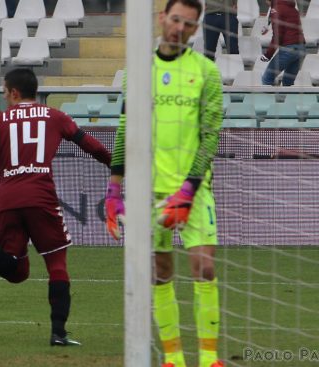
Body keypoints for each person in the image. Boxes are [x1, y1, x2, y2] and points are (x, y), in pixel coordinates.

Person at [0, 68, 111, 347]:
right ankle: (58, 333)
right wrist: (115, 164)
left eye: (4, 93)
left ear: (14, 92)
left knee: (18, 272)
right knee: (57, 265)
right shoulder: (55, 116)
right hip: (42, 199)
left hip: (8, 201)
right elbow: (89, 144)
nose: (5, 98)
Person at [104, 1, 223, 366]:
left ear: (196, 28)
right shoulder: (139, 72)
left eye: (189, 24)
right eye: (175, 20)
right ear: (161, 19)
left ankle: (209, 358)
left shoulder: (206, 72)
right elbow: (126, 129)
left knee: (204, 267)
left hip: (193, 189)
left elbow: (210, 135)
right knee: (159, 272)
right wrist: (114, 189)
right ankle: (173, 358)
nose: (180, 29)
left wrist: (188, 189)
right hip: (147, 192)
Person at [260, 0, 305, 86]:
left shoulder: (276, 9)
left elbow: (277, 36)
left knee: (267, 79)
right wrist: (267, 24)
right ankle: (289, 99)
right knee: (288, 83)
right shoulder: (292, 8)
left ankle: (269, 99)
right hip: (301, 48)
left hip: (289, 50)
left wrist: (268, 55)